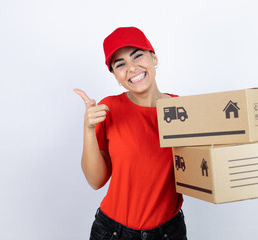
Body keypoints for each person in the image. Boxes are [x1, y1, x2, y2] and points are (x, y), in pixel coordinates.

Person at [74, 27, 187, 240]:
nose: (132, 67)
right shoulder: (109, 108)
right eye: (120, 64)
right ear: (115, 75)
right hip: (113, 232)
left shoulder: (181, 109)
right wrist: (88, 130)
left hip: (169, 232)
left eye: (138, 56)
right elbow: (96, 181)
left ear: (154, 58)